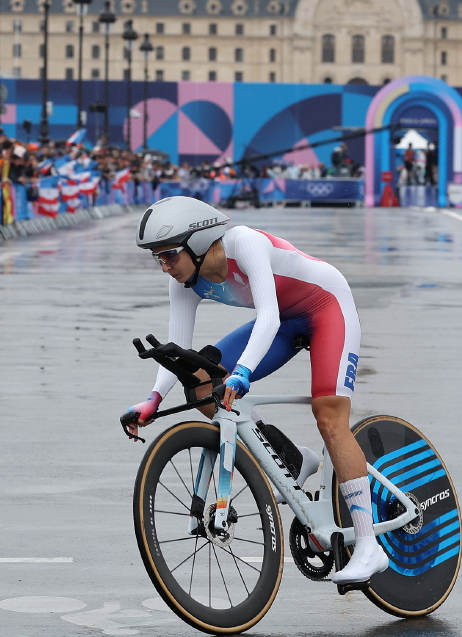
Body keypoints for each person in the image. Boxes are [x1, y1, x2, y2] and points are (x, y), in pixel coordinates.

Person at [121, 197, 388, 586]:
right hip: (284, 322)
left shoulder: (244, 242)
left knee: (329, 418)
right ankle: (291, 460)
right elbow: (179, 349)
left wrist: (242, 371)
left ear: (197, 244)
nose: (164, 264)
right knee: (200, 384)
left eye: (168, 254)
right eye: (157, 258)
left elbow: (268, 314)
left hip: (325, 306)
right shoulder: (182, 282)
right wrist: (153, 399)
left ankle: (368, 546)